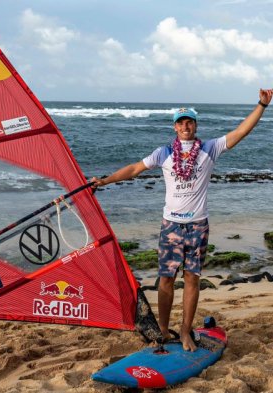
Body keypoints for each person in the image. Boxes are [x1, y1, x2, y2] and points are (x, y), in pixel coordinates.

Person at [92, 89, 273, 352]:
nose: (185, 126)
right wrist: (105, 180)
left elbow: (240, 132)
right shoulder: (163, 153)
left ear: (195, 125)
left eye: (189, 121)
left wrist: (262, 105)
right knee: (165, 278)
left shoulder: (210, 149)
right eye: (181, 122)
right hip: (171, 225)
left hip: (198, 225)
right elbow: (134, 169)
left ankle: (186, 331)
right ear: (175, 127)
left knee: (192, 279)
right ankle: (164, 331)